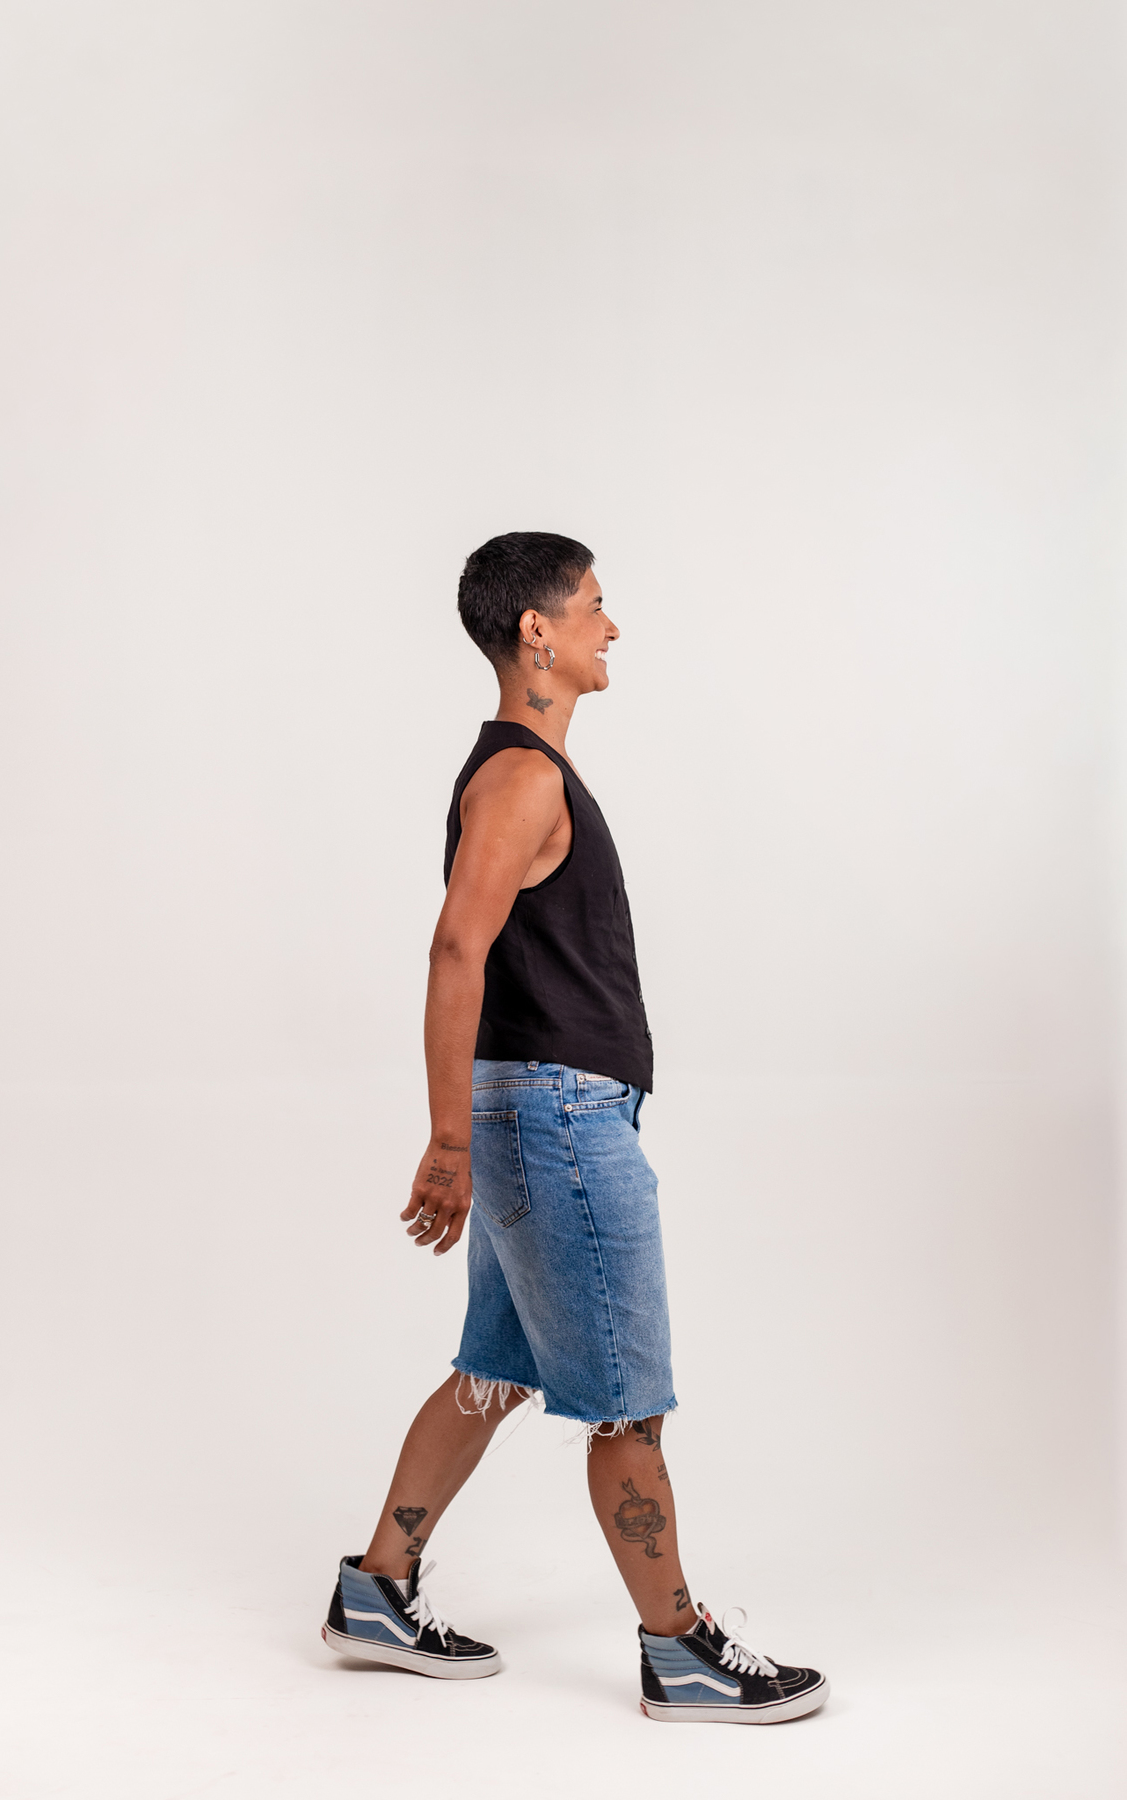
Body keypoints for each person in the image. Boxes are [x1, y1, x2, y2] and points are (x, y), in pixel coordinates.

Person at [323, 532, 828, 1722]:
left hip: (534, 1108)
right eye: (595, 605)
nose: (613, 626)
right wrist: (449, 1141)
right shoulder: (522, 777)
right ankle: (681, 1651)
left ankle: (375, 1592)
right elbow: (456, 948)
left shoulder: (527, 771)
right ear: (535, 632)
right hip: (556, 1117)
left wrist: (474, 1131)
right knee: (625, 1405)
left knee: (492, 1375)